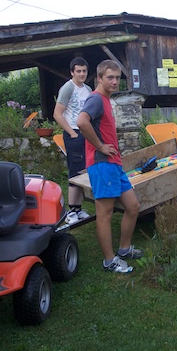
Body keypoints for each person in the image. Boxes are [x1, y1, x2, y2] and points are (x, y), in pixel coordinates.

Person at [77, 60, 142, 273]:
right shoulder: (96, 99)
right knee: (104, 213)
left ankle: (124, 249)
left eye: (117, 77)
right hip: (102, 165)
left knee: (132, 206)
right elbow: (82, 122)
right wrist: (100, 146)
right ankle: (109, 260)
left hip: (114, 164)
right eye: (110, 77)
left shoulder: (105, 99)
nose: (114, 81)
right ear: (99, 79)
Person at [53, 57, 94, 225]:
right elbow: (57, 113)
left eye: (84, 71)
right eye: (78, 71)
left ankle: (78, 208)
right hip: (74, 134)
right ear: (72, 72)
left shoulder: (88, 89)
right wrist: (72, 133)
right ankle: (71, 211)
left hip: (86, 133)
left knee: (84, 170)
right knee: (75, 171)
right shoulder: (68, 88)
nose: (82, 74)